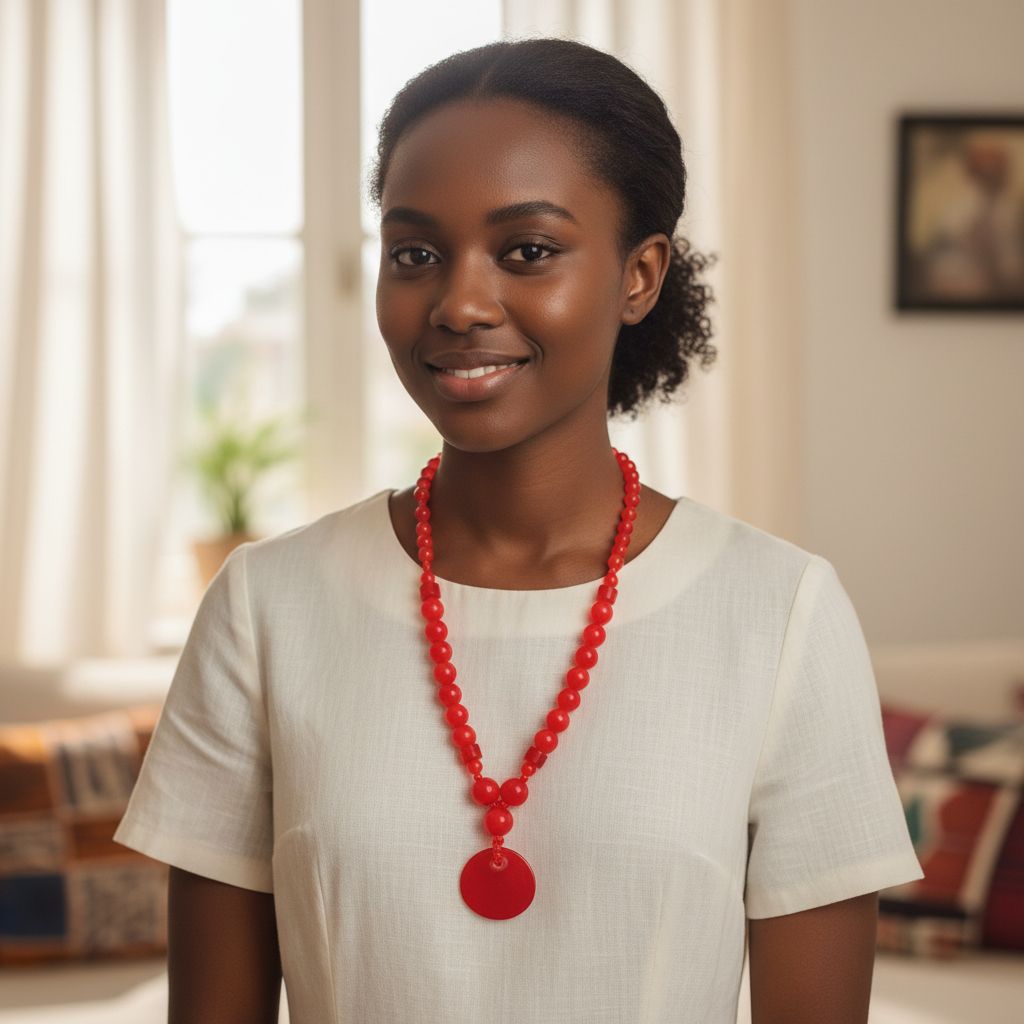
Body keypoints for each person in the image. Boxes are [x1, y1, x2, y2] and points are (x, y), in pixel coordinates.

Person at [113, 37, 924, 1024]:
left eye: (526, 250)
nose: (457, 302)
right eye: (414, 252)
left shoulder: (780, 612)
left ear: (639, 274)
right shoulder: (262, 606)